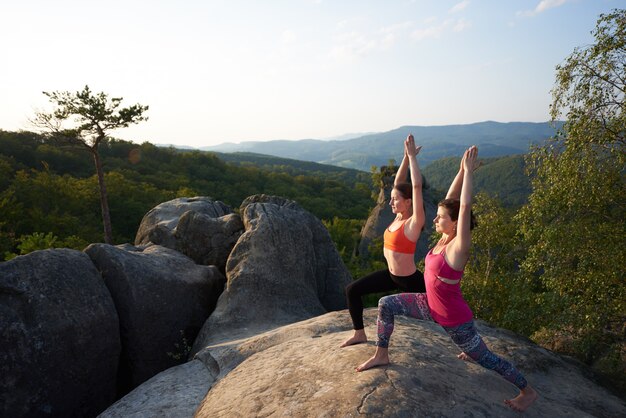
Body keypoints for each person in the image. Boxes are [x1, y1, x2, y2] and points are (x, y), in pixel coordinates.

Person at [355, 146, 538, 413]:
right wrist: (461, 172)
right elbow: (452, 201)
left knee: (485, 358)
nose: (436, 219)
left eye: (441, 217)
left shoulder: (458, 248)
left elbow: (462, 206)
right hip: (430, 307)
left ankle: (528, 391)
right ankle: (382, 353)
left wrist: (470, 175)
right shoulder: (443, 237)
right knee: (386, 304)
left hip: (454, 320)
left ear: (454, 224)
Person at [341, 134, 426, 348]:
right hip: (391, 276)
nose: (391, 202)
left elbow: (415, 187)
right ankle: (359, 333)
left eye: (395, 199)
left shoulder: (413, 223)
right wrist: (406, 157)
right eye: (391, 198)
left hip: (411, 282)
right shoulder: (398, 216)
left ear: (408, 203)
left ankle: (464, 344)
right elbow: (399, 182)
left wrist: (414, 160)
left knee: (440, 316)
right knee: (352, 290)